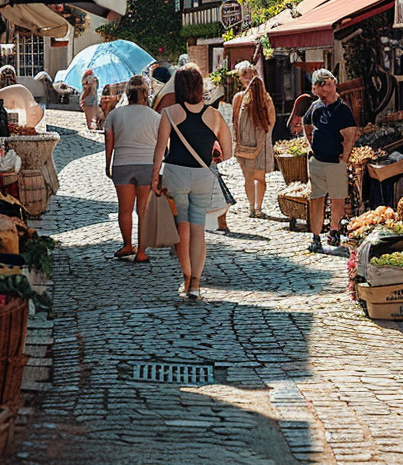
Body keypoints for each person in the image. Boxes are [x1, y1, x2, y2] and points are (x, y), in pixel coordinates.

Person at [150, 64, 233, 299]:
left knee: (181, 228)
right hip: (202, 175)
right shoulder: (214, 115)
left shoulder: (170, 113)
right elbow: (227, 151)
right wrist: (213, 152)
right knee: (198, 229)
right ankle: (196, 282)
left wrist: (155, 176)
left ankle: (186, 277)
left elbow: (159, 150)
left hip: (176, 172)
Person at [104, 76, 160, 263]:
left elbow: (109, 142)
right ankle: (142, 251)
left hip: (122, 164)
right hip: (147, 165)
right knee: (143, 210)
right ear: (146, 94)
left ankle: (127, 244)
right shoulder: (155, 117)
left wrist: (108, 164)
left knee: (125, 209)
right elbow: (161, 145)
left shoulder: (115, 115)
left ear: (127, 94)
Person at [303, 69, 358, 253]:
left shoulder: (342, 109)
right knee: (316, 199)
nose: (320, 89)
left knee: (337, 198)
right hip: (317, 160)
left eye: (325, 84)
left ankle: (334, 231)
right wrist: (311, 143)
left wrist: (345, 156)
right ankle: (316, 236)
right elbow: (306, 123)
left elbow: (350, 133)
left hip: (335, 161)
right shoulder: (315, 107)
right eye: (320, 85)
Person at [231, 62, 276, 218]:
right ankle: (252, 207)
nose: (248, 77)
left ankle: (258, 207)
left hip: (260, 143)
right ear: (240, 78)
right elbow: (235, 120)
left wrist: (262, 136)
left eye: (251, 73)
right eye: (244, 74)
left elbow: (272, 120)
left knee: (260, 177)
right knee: (248, 177)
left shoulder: (265, 98)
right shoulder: (238, 98)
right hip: (244, 144)